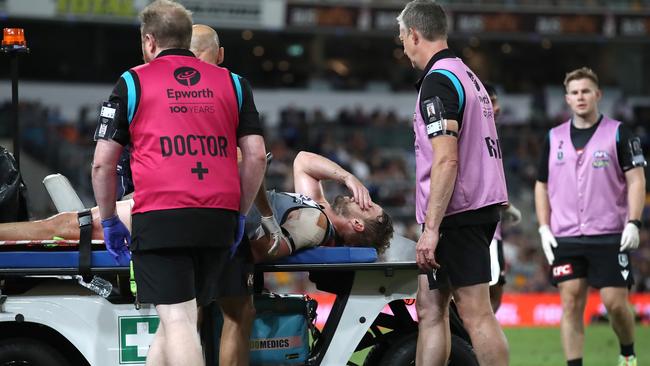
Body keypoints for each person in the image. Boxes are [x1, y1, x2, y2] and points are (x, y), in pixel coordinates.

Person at [91, 3, 266, 366]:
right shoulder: (234, 83)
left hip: (161, 216)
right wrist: (238, 214)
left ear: (149, 40)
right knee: (175, 319)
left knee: (177, 319)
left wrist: (109, 220)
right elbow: (256, 157)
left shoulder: (133, 81)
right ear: (187, 39)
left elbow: (102, 164)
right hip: (217, 220)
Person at [397, 1, 509, 365]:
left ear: (414, 34)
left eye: (402, 37)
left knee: (475, 312)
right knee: (430, 309)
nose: (402, 47)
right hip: (472, 206)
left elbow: (446, 158)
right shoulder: (467, 75)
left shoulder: (438, 81)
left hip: (458, 213)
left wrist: (431, 229)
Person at [534, 67, 646, 366]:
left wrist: (634, 222)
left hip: (609, 232)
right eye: (574, 92)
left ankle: (627, 352)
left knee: (615, 304)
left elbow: (637, 179)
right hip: (567, 235)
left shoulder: (619, 133)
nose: (580, 97)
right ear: (567, 99)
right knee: (570, 301)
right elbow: (541, 184)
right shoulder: (553, 137)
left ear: (597, 95)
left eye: (585, 91)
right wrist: (544, 227)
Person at [484, 84, 522, 312]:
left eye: (496, 102)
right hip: (482, 227)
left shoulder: (492, 134)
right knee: (490, 292)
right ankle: (472, 345)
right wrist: (504, 205)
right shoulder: (474, 134)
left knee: (495, 289)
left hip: (490, 224)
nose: (495, 108)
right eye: (490, 101)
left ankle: (470, 343)